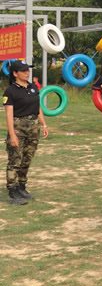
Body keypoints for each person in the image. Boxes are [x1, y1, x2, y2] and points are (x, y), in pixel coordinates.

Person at [4, 61, 48, 206]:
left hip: (33, 127)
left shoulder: (33, 87)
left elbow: (38, 107)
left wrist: (44, 124)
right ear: (15, 74)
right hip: (18, 127)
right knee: (15, 159)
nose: (27, 73)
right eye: (23, 71)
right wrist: (12, 135)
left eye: (28, 70)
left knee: (27, 158)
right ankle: (13, 190)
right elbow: (9, 114)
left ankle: (21, 186)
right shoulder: (10, 91)